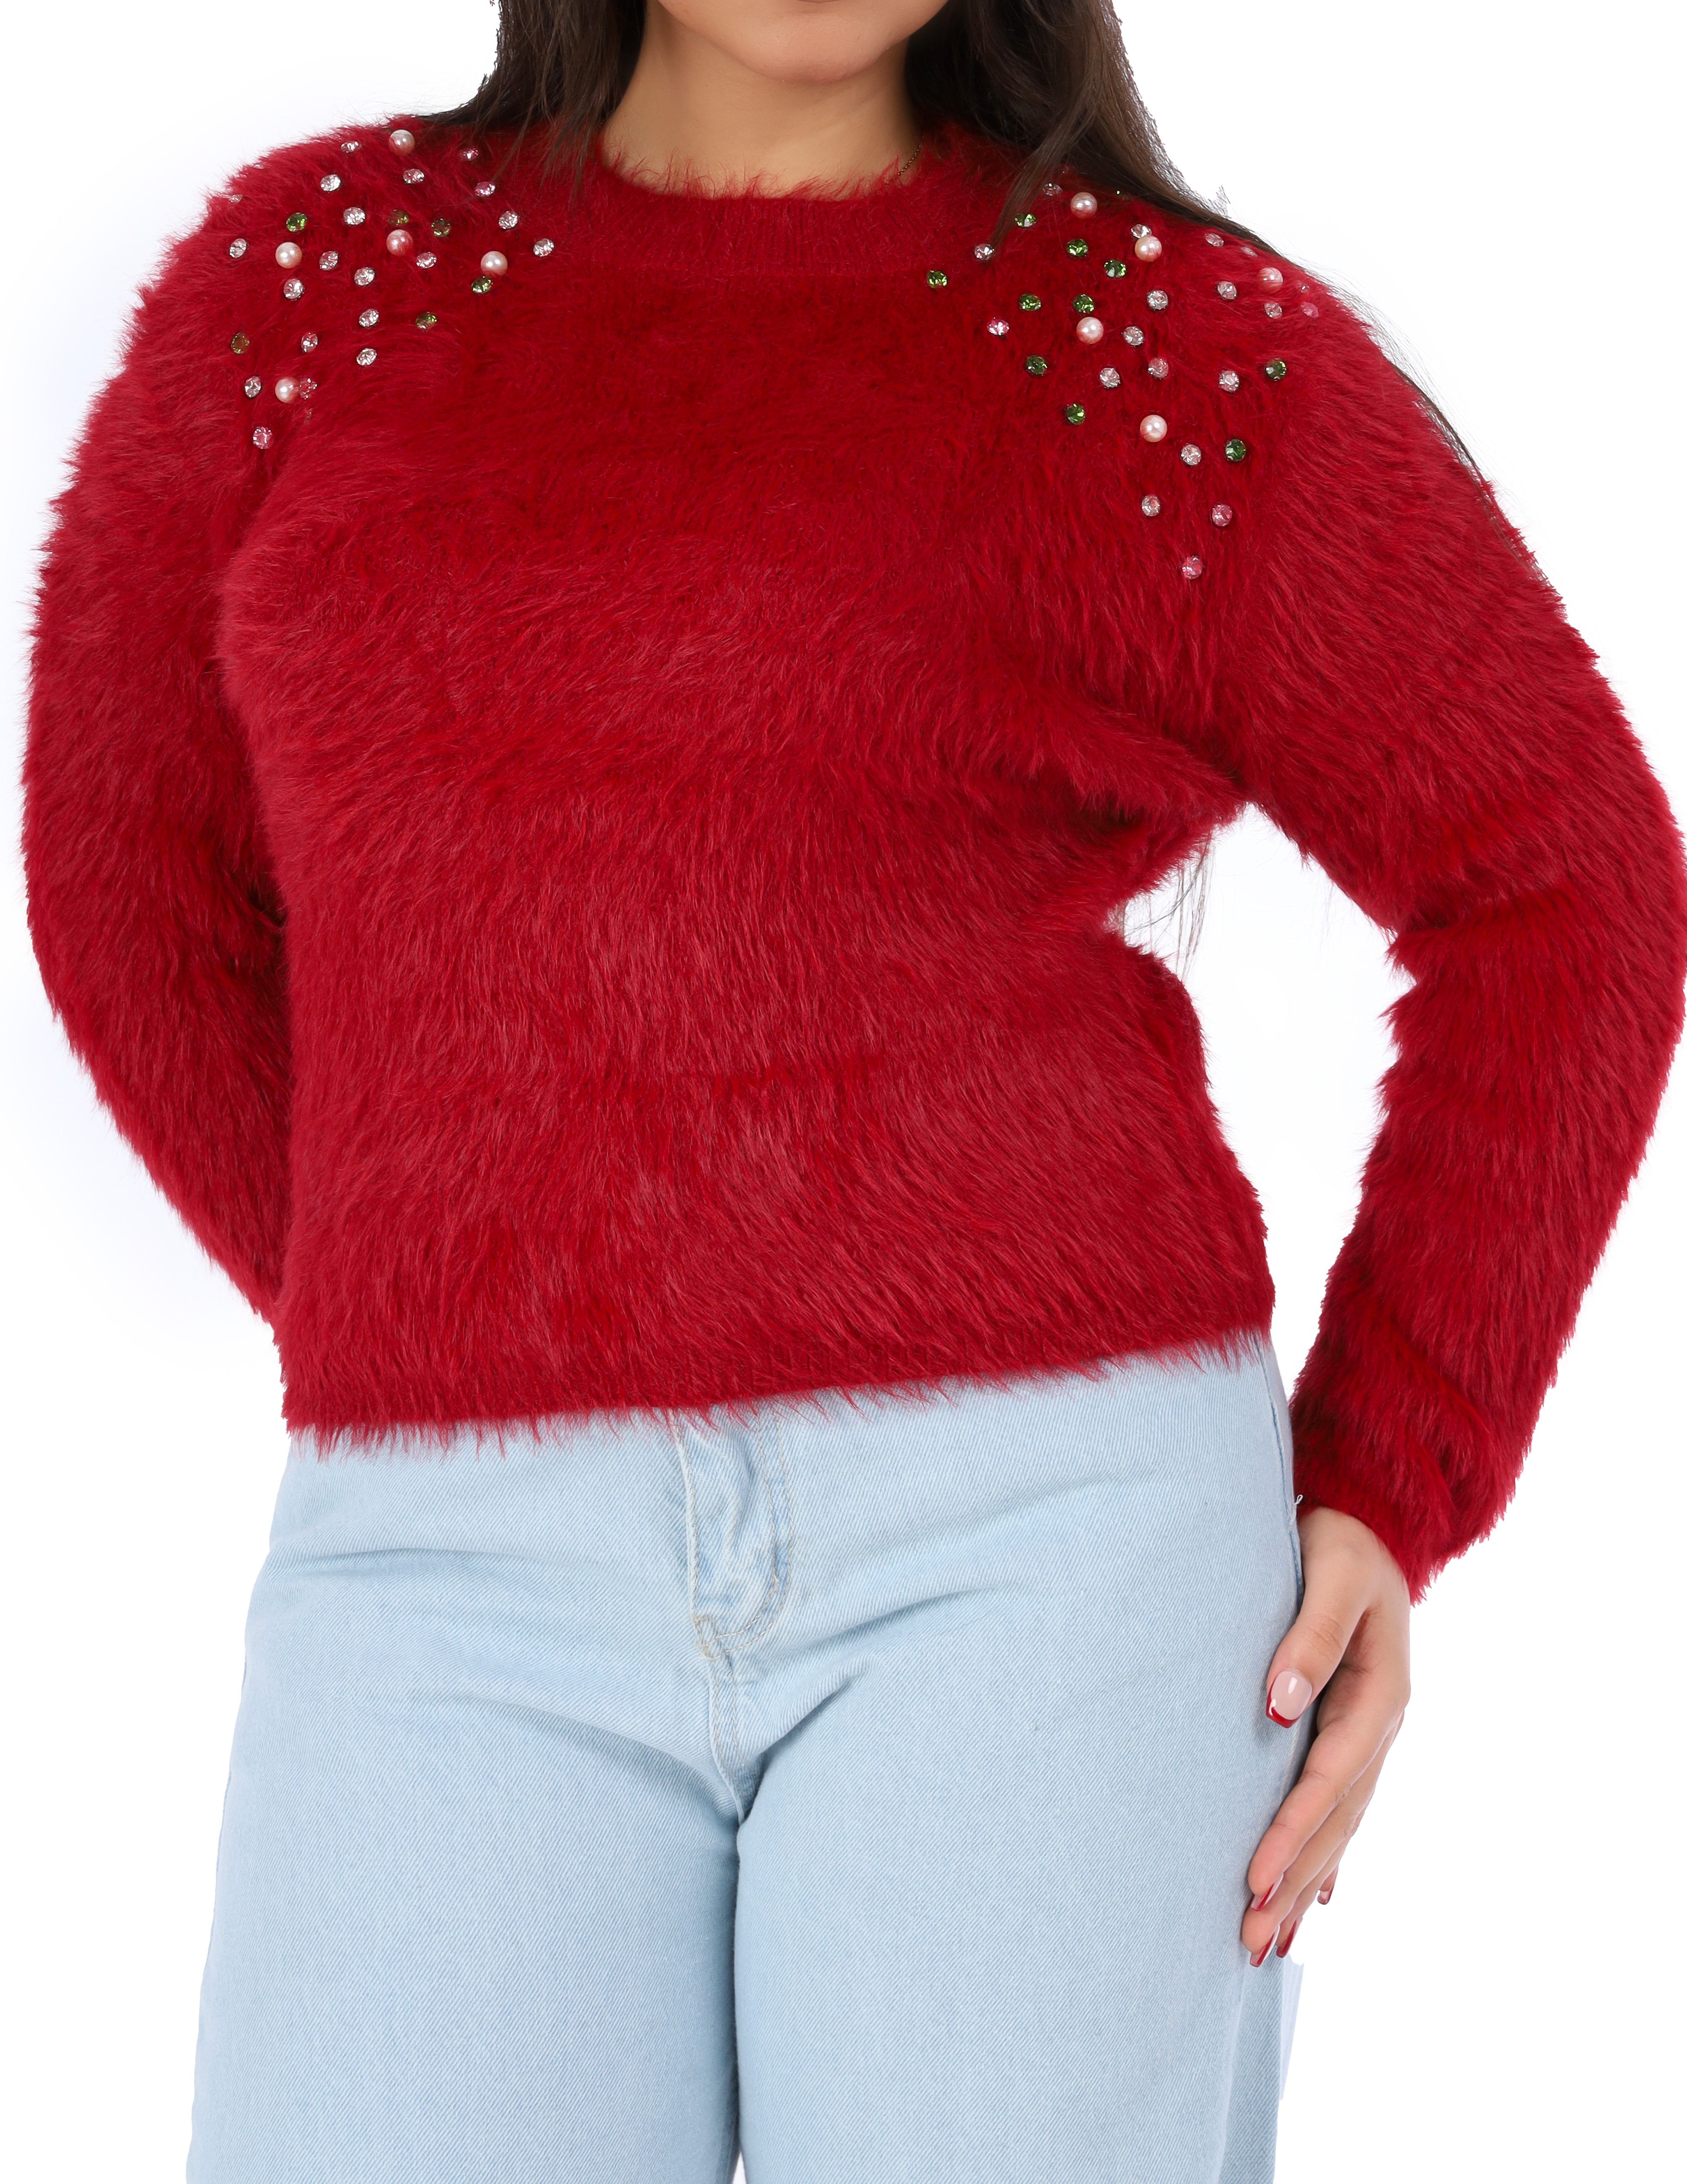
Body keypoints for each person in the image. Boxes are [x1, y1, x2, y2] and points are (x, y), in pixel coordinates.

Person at [20, 0, 1686, 2177]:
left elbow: (1565, 885)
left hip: (1055, 1559)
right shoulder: (320, 286)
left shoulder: (1148, 348)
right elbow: (126, 881)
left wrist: (1394, 1461)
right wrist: (453, 1291)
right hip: (450, 1567)